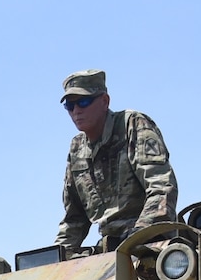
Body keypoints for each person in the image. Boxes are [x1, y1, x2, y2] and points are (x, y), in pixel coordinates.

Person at [55, 69, 178, 254]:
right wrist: (57, 255)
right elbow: (74, 219)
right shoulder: (77, 148)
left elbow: (162, 188)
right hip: (108, 250)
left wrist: (140, 233)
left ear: (105, 101)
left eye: (84, 101)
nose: (76, 111)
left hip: (149, 245)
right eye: (70, 106)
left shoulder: (132, 124)